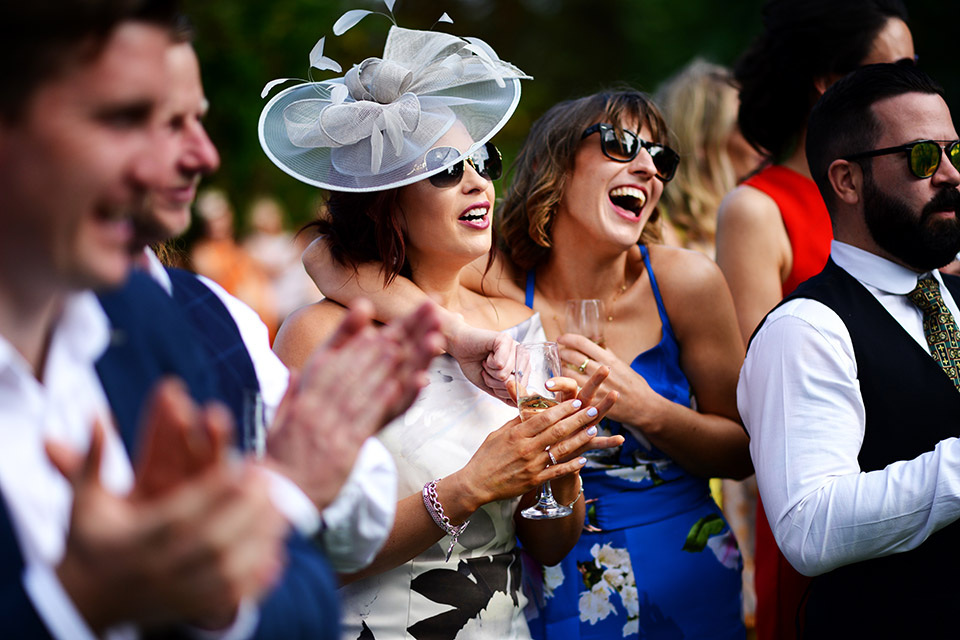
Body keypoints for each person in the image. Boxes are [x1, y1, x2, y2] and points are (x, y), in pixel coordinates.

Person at [305, 89, 751, 639]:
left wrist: (638, 410)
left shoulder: (679, 282)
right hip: (554, 592)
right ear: (553, 165)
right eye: (620, 144)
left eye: (662, 159)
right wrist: (458, 336)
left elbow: (743, 449)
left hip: (677, 562)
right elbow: (330, 257)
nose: (647, 167)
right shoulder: (502, 281)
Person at [261, 17, 621, 638]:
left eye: (483, 160)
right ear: (386, 199)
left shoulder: (517, 329)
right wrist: (466, 487)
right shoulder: (319, 336)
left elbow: (551, 545)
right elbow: (300, 554)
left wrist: (560, 464)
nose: (479, 180)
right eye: (446, 169)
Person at [0, 2, 287, 636]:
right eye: (124, 119)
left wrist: (207, 598)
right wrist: (73, 606)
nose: (176, 163)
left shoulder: (141, 322)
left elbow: (297, 595)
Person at [135, 34, 411, 575]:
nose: (204, 155)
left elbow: (350, 528)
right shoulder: (280, 320)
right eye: (152, 121)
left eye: (195, 120)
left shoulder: (217, 317)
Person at [714, 3, 915, 636]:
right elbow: (762, 394)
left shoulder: (908, 199)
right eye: (897, 70)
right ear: (832, 82)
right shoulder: (757, 207)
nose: (918, 87)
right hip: (828, 499)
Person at [740, 62, 960, 637]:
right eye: (922, 157)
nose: (951, 174)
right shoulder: (805, 330)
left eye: (955, 151)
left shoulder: (955, 296)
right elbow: (808, 528)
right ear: (847, 180)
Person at [654, 59, 764, 258]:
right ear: (699, 140)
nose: (762, 139)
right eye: (745, 125)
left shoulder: (762, 218)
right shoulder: (661, 235)